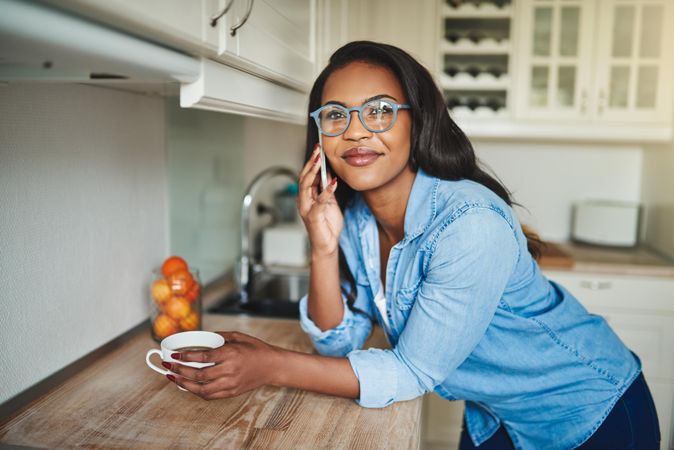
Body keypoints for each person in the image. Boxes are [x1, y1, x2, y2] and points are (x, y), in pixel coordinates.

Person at [163, 41, 661, 450]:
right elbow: (338, 341)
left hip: (590, 410)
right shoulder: (355, 219)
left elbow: (412, 371)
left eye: (379, 111)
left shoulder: (470, 222)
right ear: (319, 133)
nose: (355, 130)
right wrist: (322, 247)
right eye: (335, 115)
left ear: (416, 121)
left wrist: (270, 365)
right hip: (495, 415)